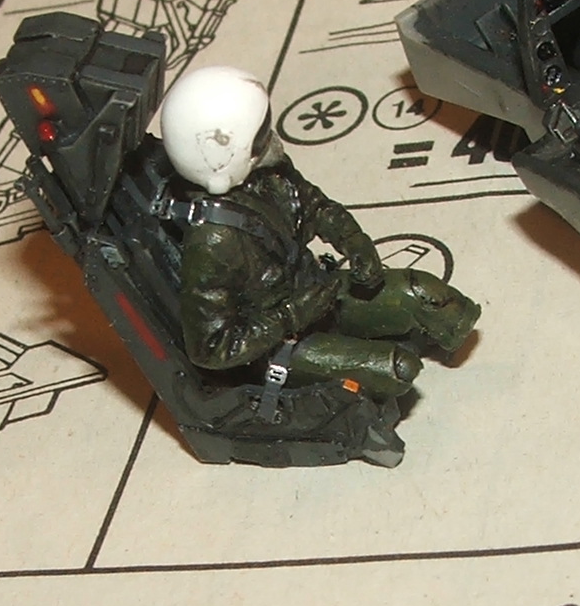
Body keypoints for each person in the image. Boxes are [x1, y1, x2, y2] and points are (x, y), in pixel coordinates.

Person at [157, 65, 479, 400]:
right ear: (220, 154)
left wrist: (354, 242)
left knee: (429, 296)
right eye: (259, 135)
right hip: (280, 342)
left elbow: (316, 207)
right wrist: (291, 315)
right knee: (396, 369)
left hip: (320, 291)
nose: (269, 138)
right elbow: (211, 348)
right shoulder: (213, 241)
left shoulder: (270, 175)